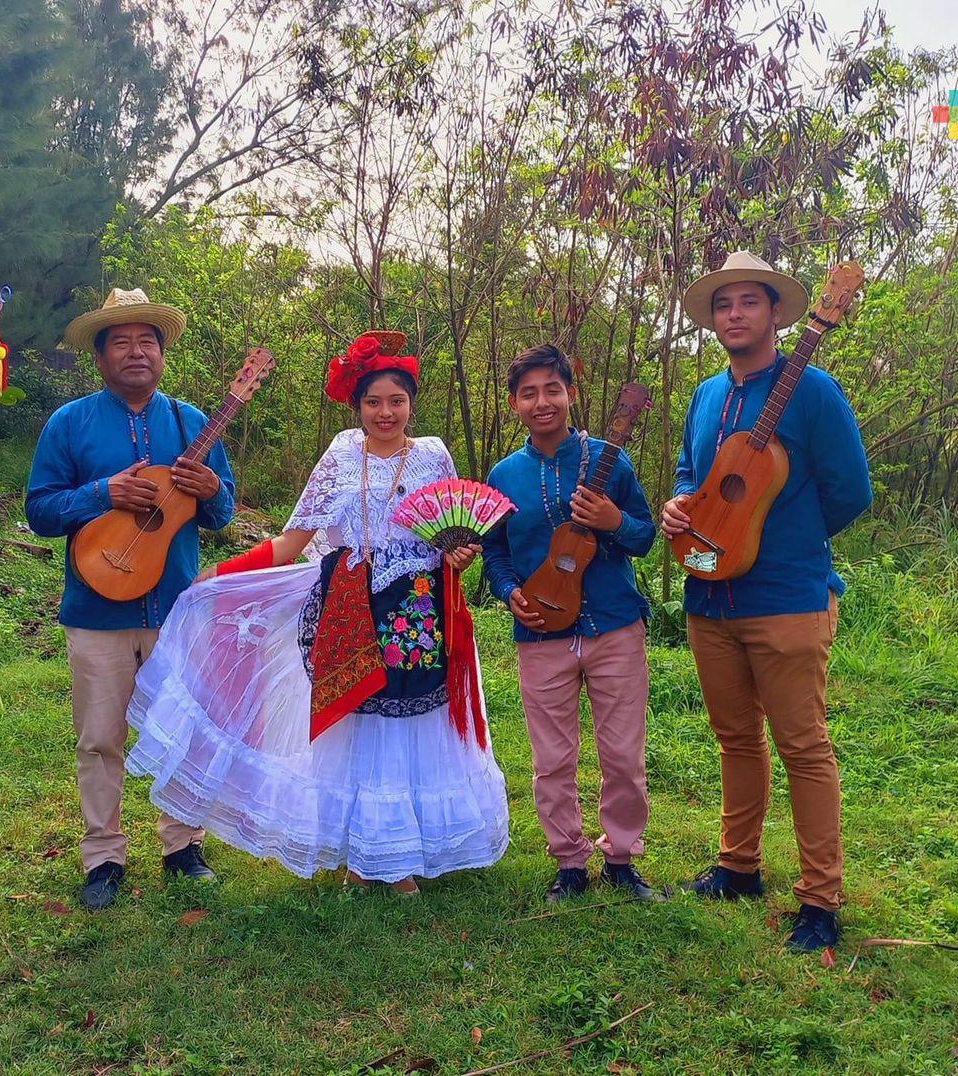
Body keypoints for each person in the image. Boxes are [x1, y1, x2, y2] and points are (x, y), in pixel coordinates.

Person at [123, 331, 509, 894]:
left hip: (417, 610)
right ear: (357, 406)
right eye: (373, 401)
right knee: (355, 723)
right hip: (348, 606)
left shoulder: (433, 455)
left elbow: (448, 533)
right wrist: (224, 573)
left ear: (412, 403)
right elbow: (292, 541)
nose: (385, 412)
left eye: (396, 401)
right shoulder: (340, 456)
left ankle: (399, 856)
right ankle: (360, 854)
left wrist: (459, 554)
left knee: (406, 727)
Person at [659, 251, 873, 952]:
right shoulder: (705, 396)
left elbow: (851, 492)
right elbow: (693, 472)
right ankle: (738, 866)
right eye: (723, 305)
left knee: (803, 746)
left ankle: (820, 900)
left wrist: (777, 537)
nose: (734, 315)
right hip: (709, 598)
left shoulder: (813, 390)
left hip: (787, 599)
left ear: (776, 313)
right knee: (735, 738)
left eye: (748, 302)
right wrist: (681, 506)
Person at [25, 288, 238, 910]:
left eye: (147, 340)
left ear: (163, 354)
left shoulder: (194, 423)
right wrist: (102, 494)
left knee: (183, 730)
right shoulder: (68, 424)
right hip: (97, 609)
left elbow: (223, 512)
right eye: (120, 341)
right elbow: (40, 511)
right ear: (99, 357)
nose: (136, 351)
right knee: (99, 737)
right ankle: (104, 856)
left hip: (177, 607)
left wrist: (211, 490)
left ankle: (183, 845)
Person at [482, 344, 660, 903]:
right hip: (541, 629)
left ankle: (622, 858)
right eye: (528, 393)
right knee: (552, 759)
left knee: (623, 754)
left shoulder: (610, 459)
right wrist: (509, 592)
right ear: (514, 404)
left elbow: (646, 537)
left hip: (613, 626)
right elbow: (494, 551)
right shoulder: (504, 475)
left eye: (552, 390)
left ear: (571, 394)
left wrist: (614, 520)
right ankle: (569, 861)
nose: (542, 402)